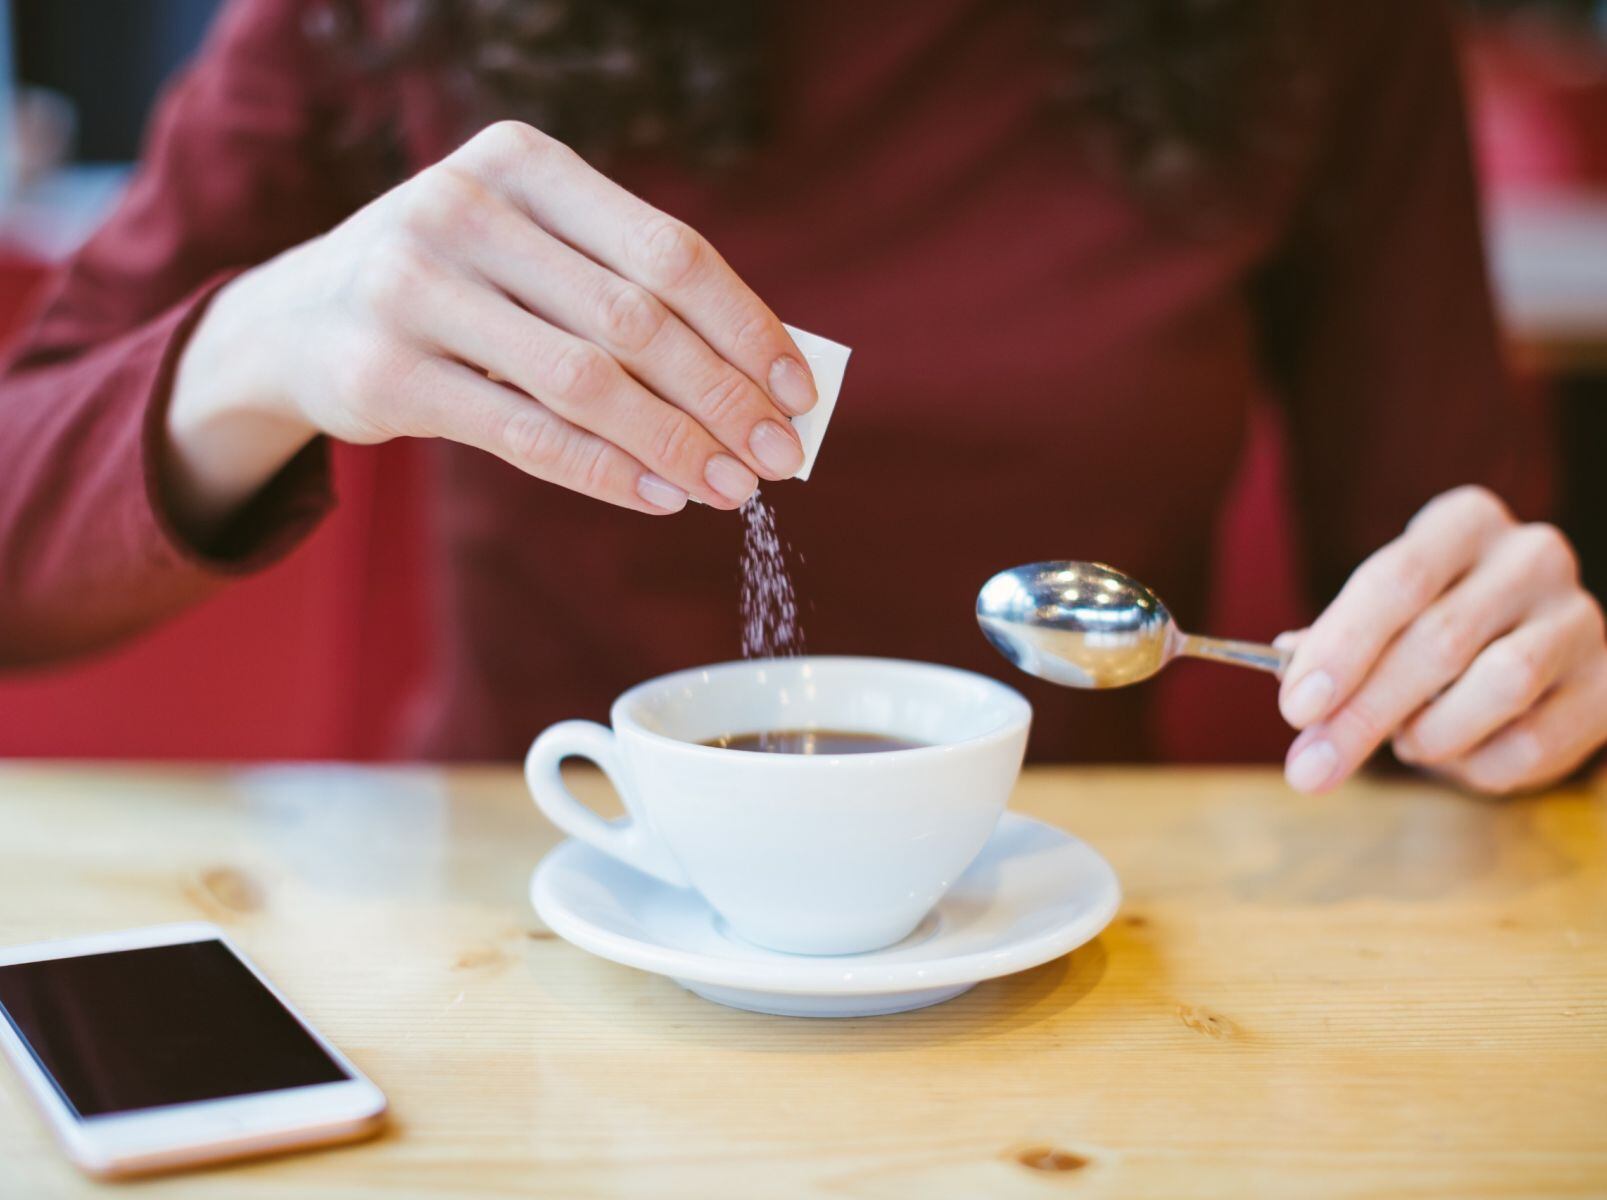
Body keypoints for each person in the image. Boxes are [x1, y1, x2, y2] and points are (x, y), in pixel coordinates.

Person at [0, 0, 1602, 793]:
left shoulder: (1315, 32)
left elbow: (1443, 573)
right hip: (527, 905)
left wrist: (1491, 674)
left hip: (1074, 932)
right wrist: (279, 335)